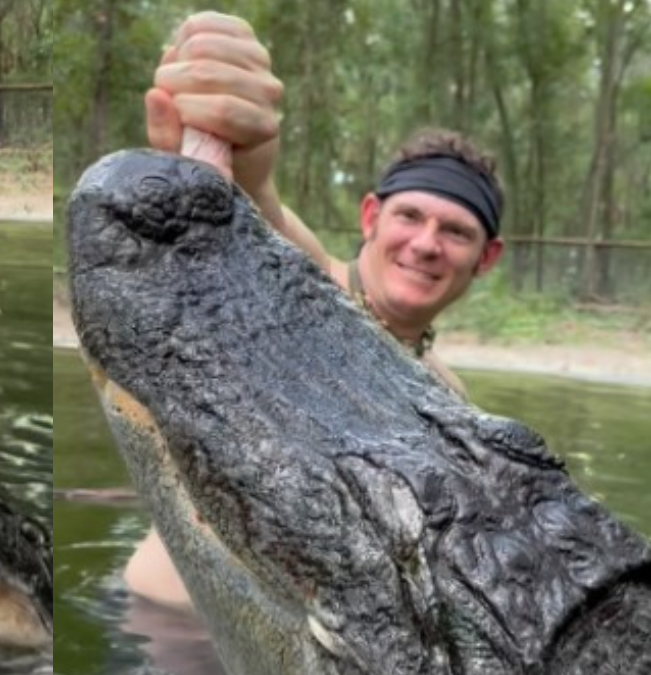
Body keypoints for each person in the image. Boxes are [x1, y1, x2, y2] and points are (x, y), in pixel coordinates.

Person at [123, 10, 507, 616]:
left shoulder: (449, 394)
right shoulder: (300, 286)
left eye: (455, 230)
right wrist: (244, 167)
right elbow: (257, 220)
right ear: (370, 218)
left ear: (486, 258)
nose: (426, 243)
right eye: (410, 216)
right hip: (162, 634)